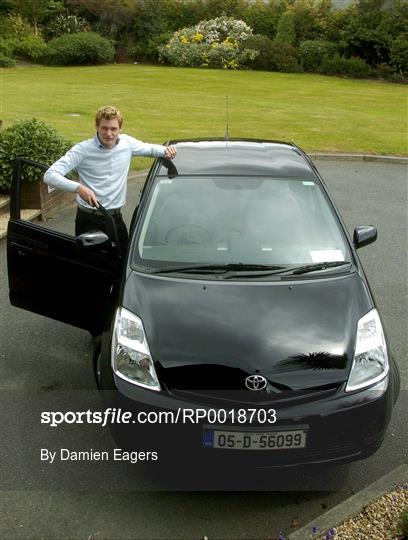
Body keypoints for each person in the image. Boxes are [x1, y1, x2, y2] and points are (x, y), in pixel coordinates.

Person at [44, 105, 176, 253]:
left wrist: (166, 151)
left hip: (115, 219)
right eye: (104, 128)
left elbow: (150, 149)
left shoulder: (127, 144)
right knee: (91, 268)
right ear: (97, 127)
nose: (109, 134)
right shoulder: (82, 150)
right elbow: (50, 175)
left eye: (113, 129)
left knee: (124, 263)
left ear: (120, 128)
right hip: (89, 220)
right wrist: (79, 188)